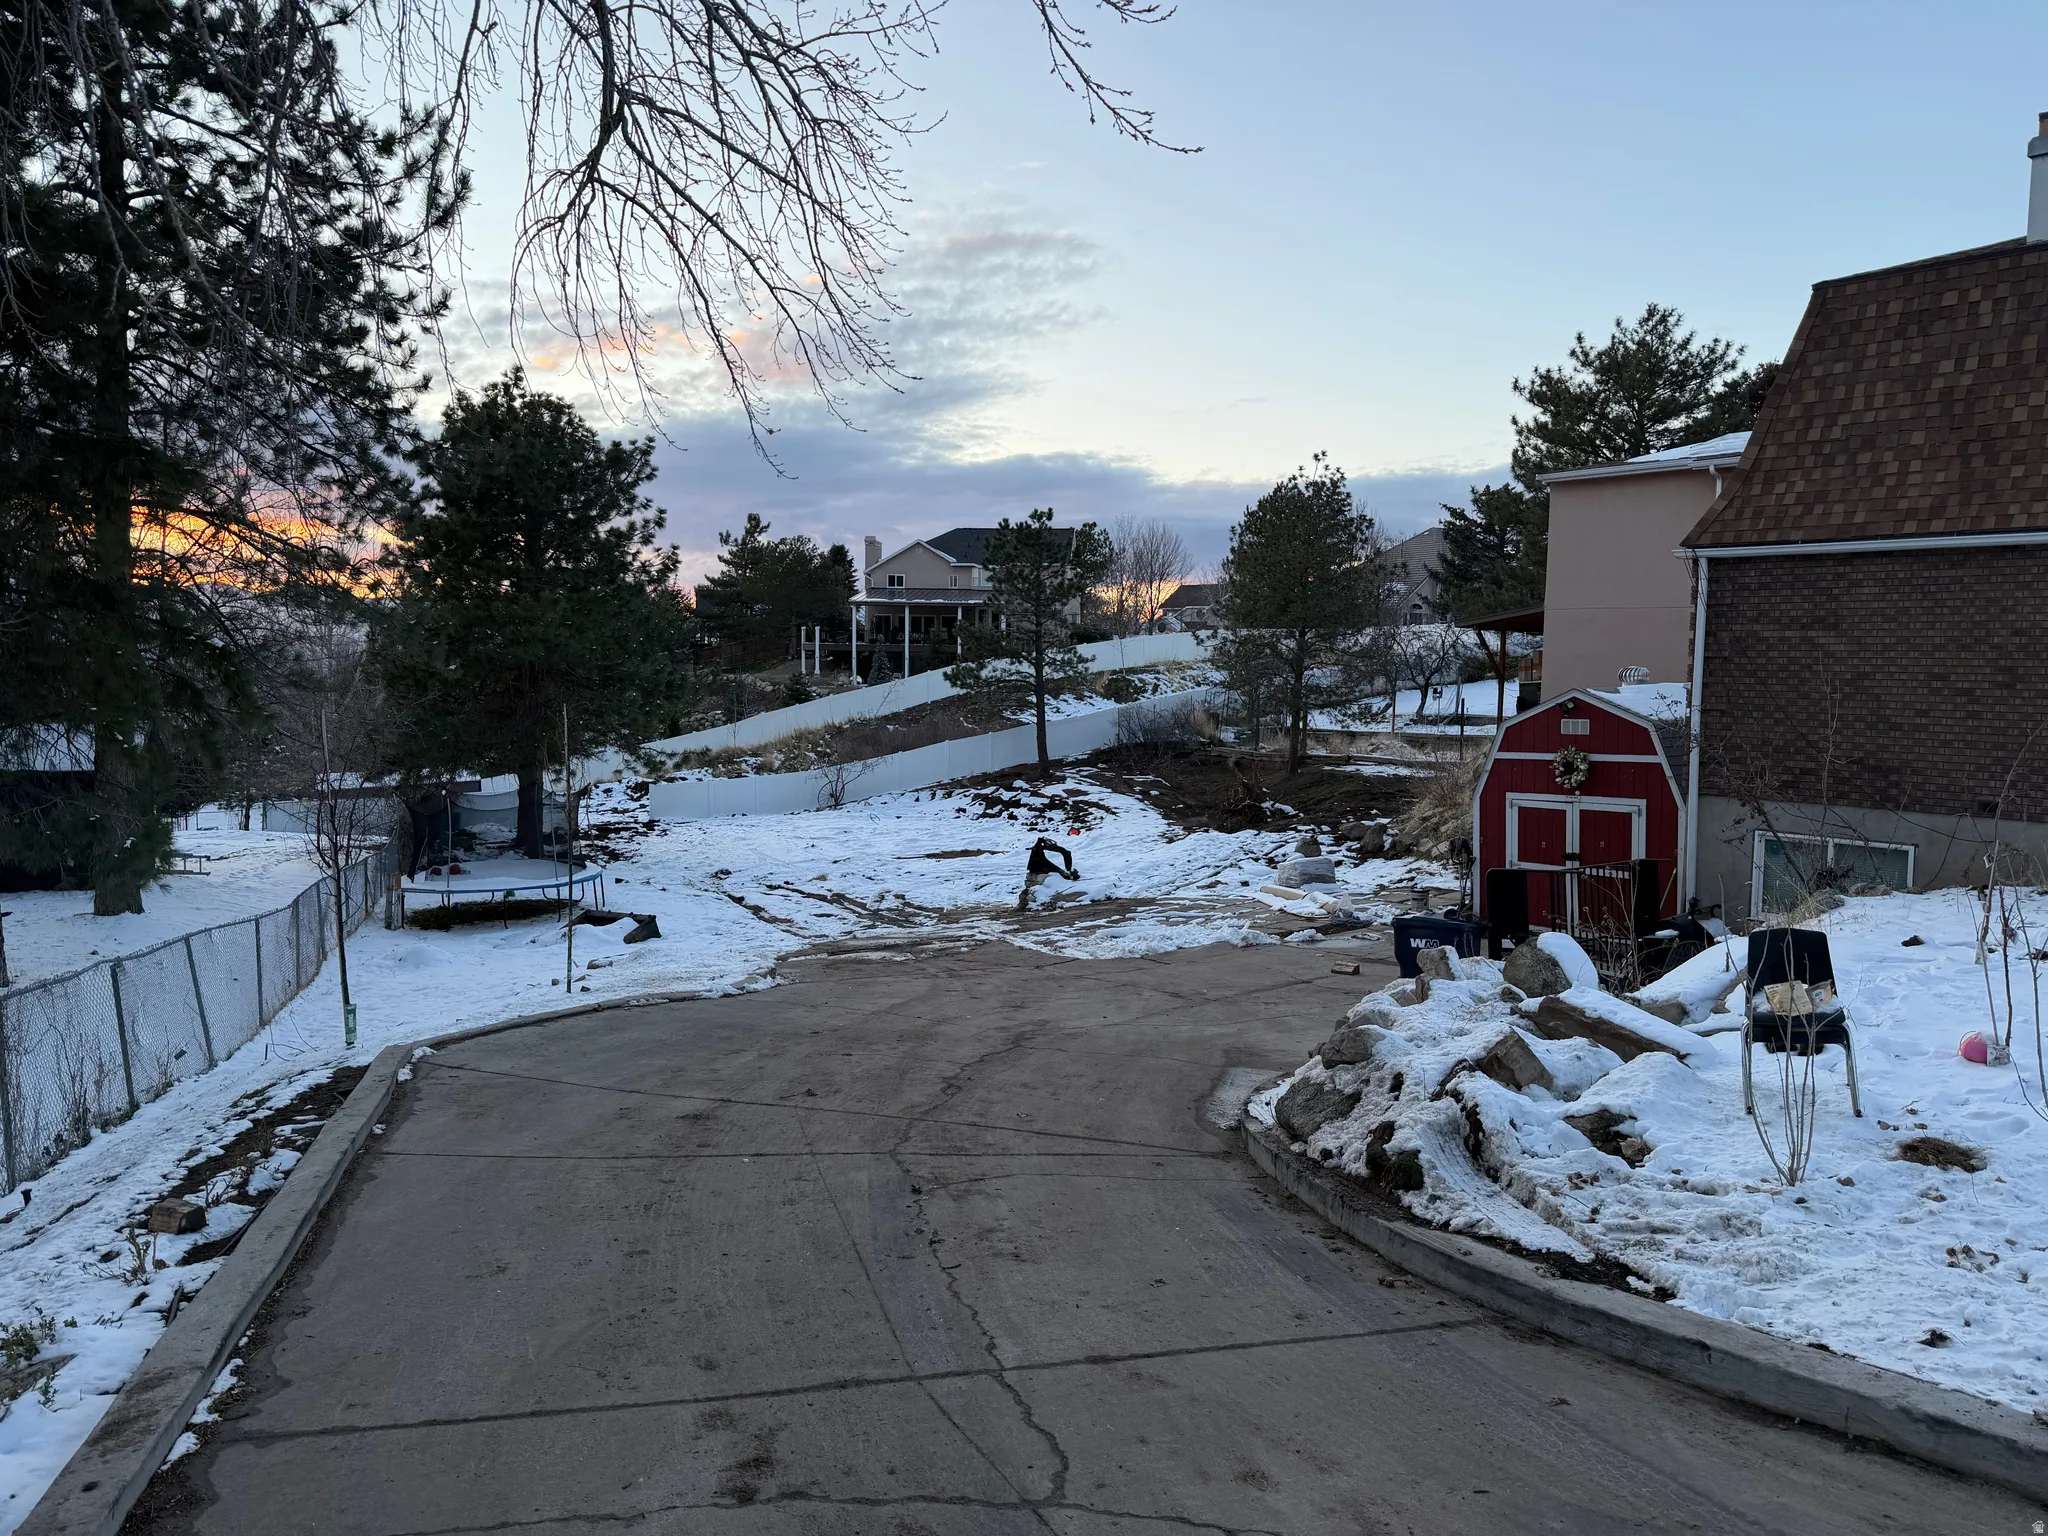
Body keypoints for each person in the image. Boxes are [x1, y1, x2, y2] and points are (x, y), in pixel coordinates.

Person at [1016, 836, 1079, 912]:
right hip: (1040, 869)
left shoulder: (1037, 859)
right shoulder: (1040, 860)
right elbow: (1064, 853)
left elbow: (1064, 853)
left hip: (1038, 869)